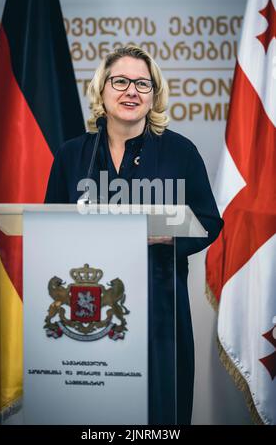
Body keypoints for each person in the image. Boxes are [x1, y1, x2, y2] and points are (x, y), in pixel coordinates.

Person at [45, 45, 223, 424]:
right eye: (121, 81)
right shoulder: (71, 155)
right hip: (86, 313)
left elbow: (209, 219)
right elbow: (50, 226)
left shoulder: (180, 152)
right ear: (102, 90)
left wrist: (163, 234)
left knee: (159, 418)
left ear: (154, 94)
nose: (132, 91)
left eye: (143, 83)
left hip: (160, 312)